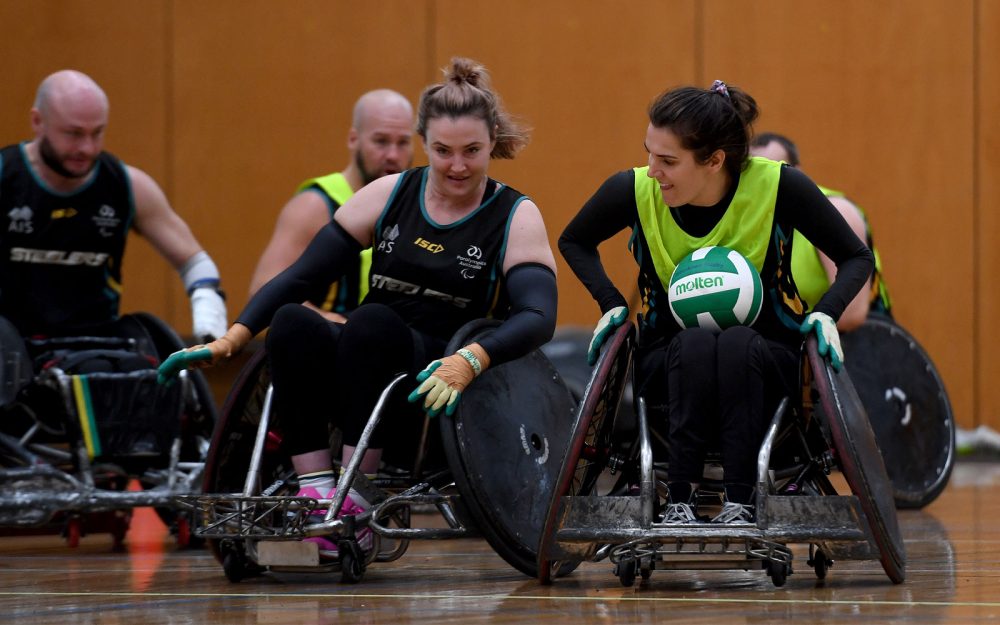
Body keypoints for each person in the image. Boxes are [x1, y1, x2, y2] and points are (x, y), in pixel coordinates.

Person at [158, 57, 558, 559]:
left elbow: (539, 317)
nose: (457, 166)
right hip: (366, 357)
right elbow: (299, 278)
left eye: (472, 151)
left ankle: (357, 499)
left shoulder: (515, 215)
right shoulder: (389, 195)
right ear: (424, 143)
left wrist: (472, 358)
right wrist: (232, 338)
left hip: (439, 375)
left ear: (492, 139)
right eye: (443, 151)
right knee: (293, 321)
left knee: (370, 324)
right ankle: (317, 491)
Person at [559, 81, 873, 525]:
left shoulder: (778, 185)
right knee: (693, 344)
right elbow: (573, 240)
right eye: (649, 154)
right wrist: (610, 302)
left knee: (737, 343)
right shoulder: (633, 189)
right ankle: (680, 498)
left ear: (714, 161)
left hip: (767, 360)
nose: (652, 170)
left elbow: (857, 257)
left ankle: (741, 499)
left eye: (668, 161)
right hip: (668, 363)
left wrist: (826, 312)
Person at [0, 69, 227, 343]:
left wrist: (209, 317)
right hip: (9, 345)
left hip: (93, 346)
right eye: (73, 133)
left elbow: (195, 262)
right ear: (38, 122)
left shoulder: (128, 186)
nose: (87, 148)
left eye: (97, 133)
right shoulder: (5, 175)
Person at [249, 89, 414, 322]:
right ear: (353, 139)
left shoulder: (418, 204)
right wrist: (331, 325)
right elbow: (262, 288)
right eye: (381, 141)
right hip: (329, 337)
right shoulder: (315, 204)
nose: (393, 155)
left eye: (403, 142)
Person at [750, 132, 892, 330]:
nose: (766, 184)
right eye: (756, 176)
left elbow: (852, 314)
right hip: (801, 336)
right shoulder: (750, 219)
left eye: (774, 173)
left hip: (862, 341)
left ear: (796, 174)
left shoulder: (837, 211)